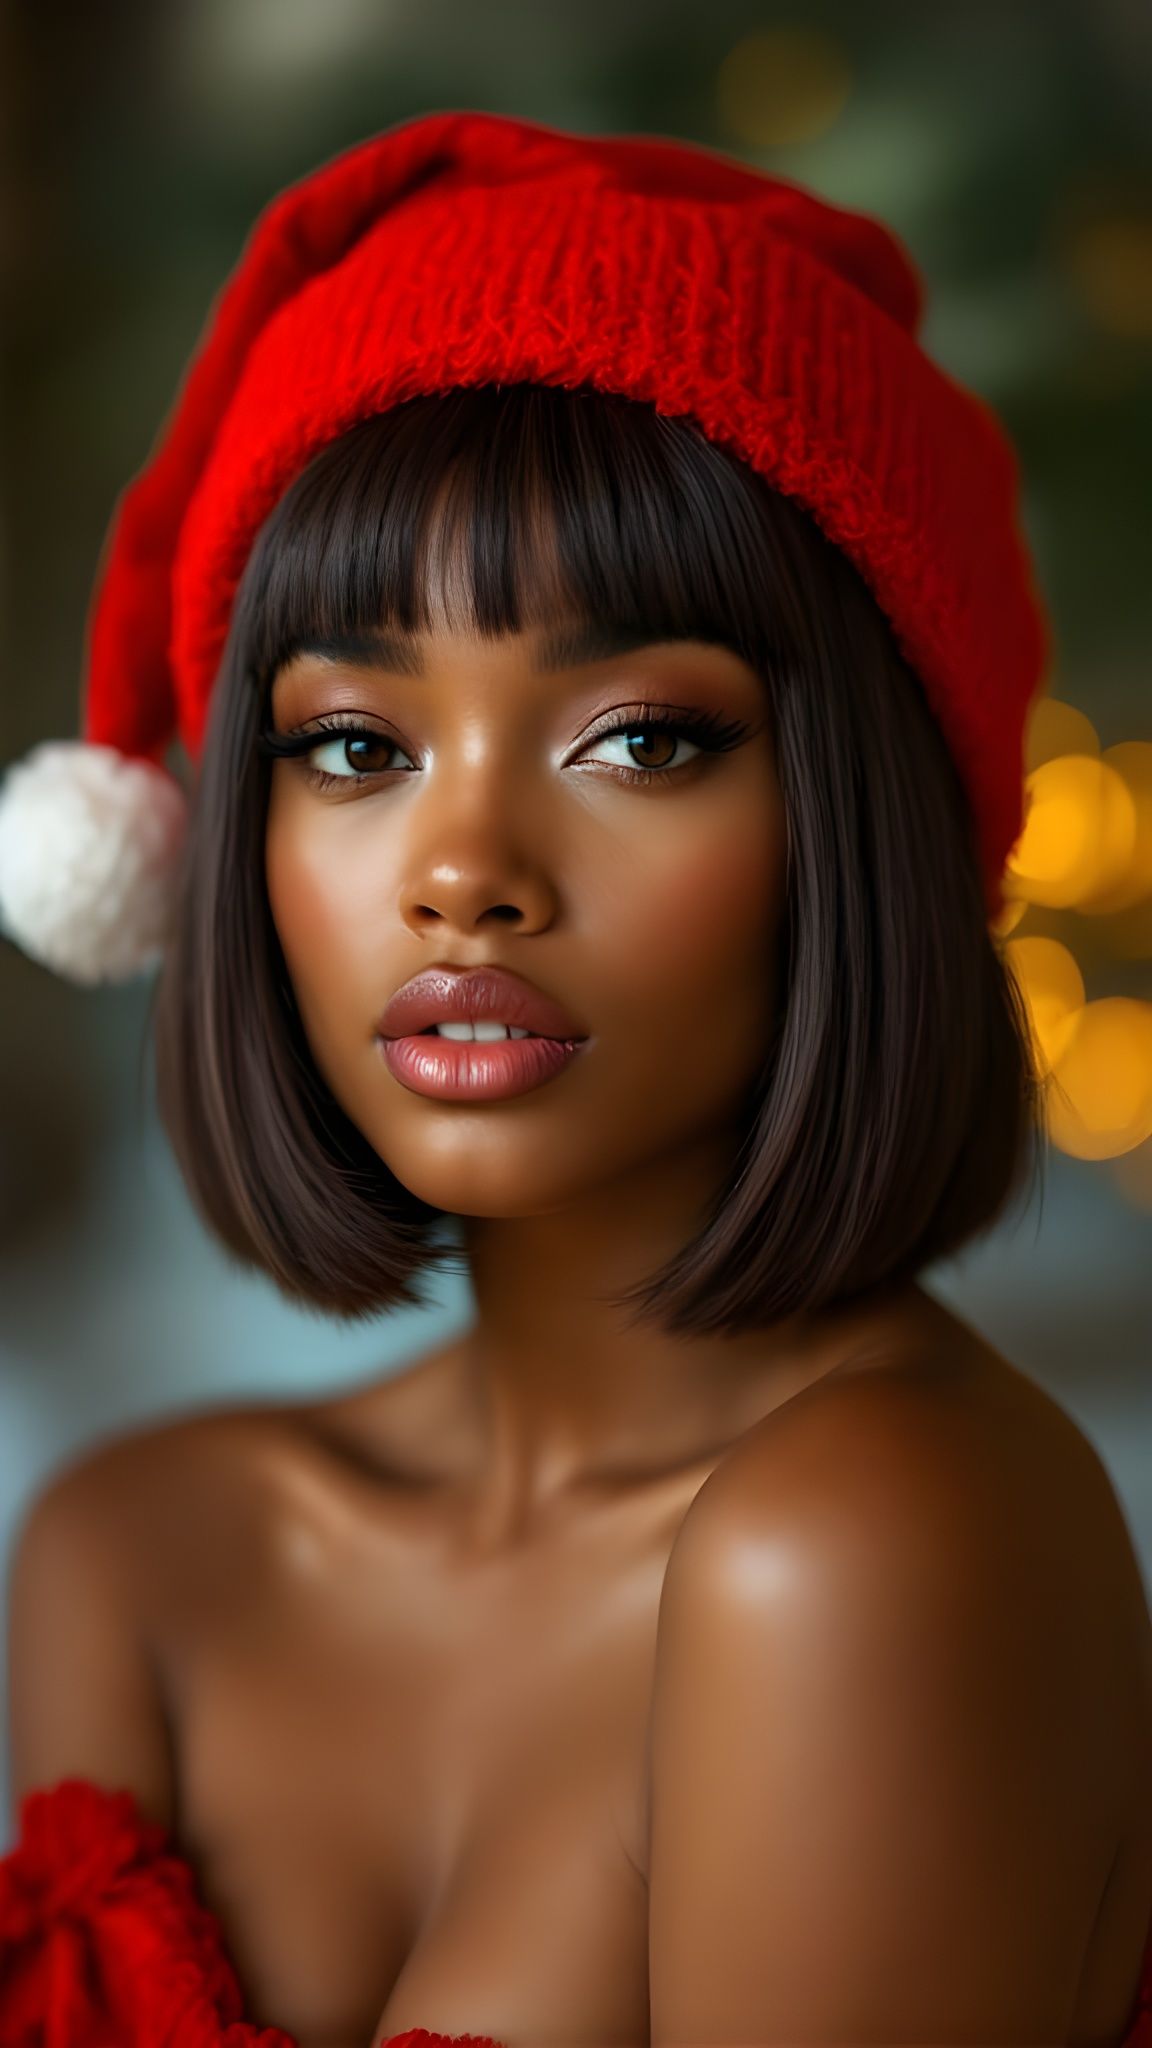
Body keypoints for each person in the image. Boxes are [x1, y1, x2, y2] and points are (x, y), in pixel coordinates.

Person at [0, 107, 1149, 2048]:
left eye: (640, 740)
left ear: (857, 820)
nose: (463, 870)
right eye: (354, 746)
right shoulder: (135, 1550)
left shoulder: (867, 1545)